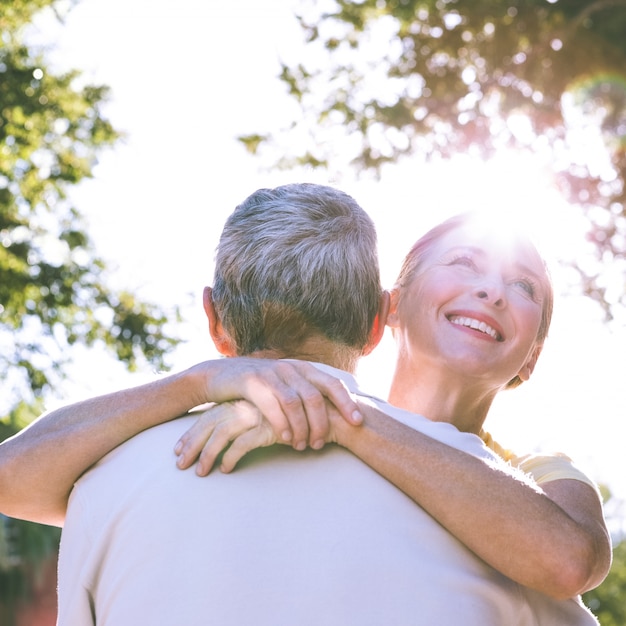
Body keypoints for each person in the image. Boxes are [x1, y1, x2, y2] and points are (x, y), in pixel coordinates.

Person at [0, 184, 605, 624]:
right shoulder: (181, 439)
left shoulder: (527, 499)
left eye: (524, 287)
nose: (491, 290)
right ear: (385, 313)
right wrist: (207, 382)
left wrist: (336, 415)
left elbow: (571, 557)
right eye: (464, 263)